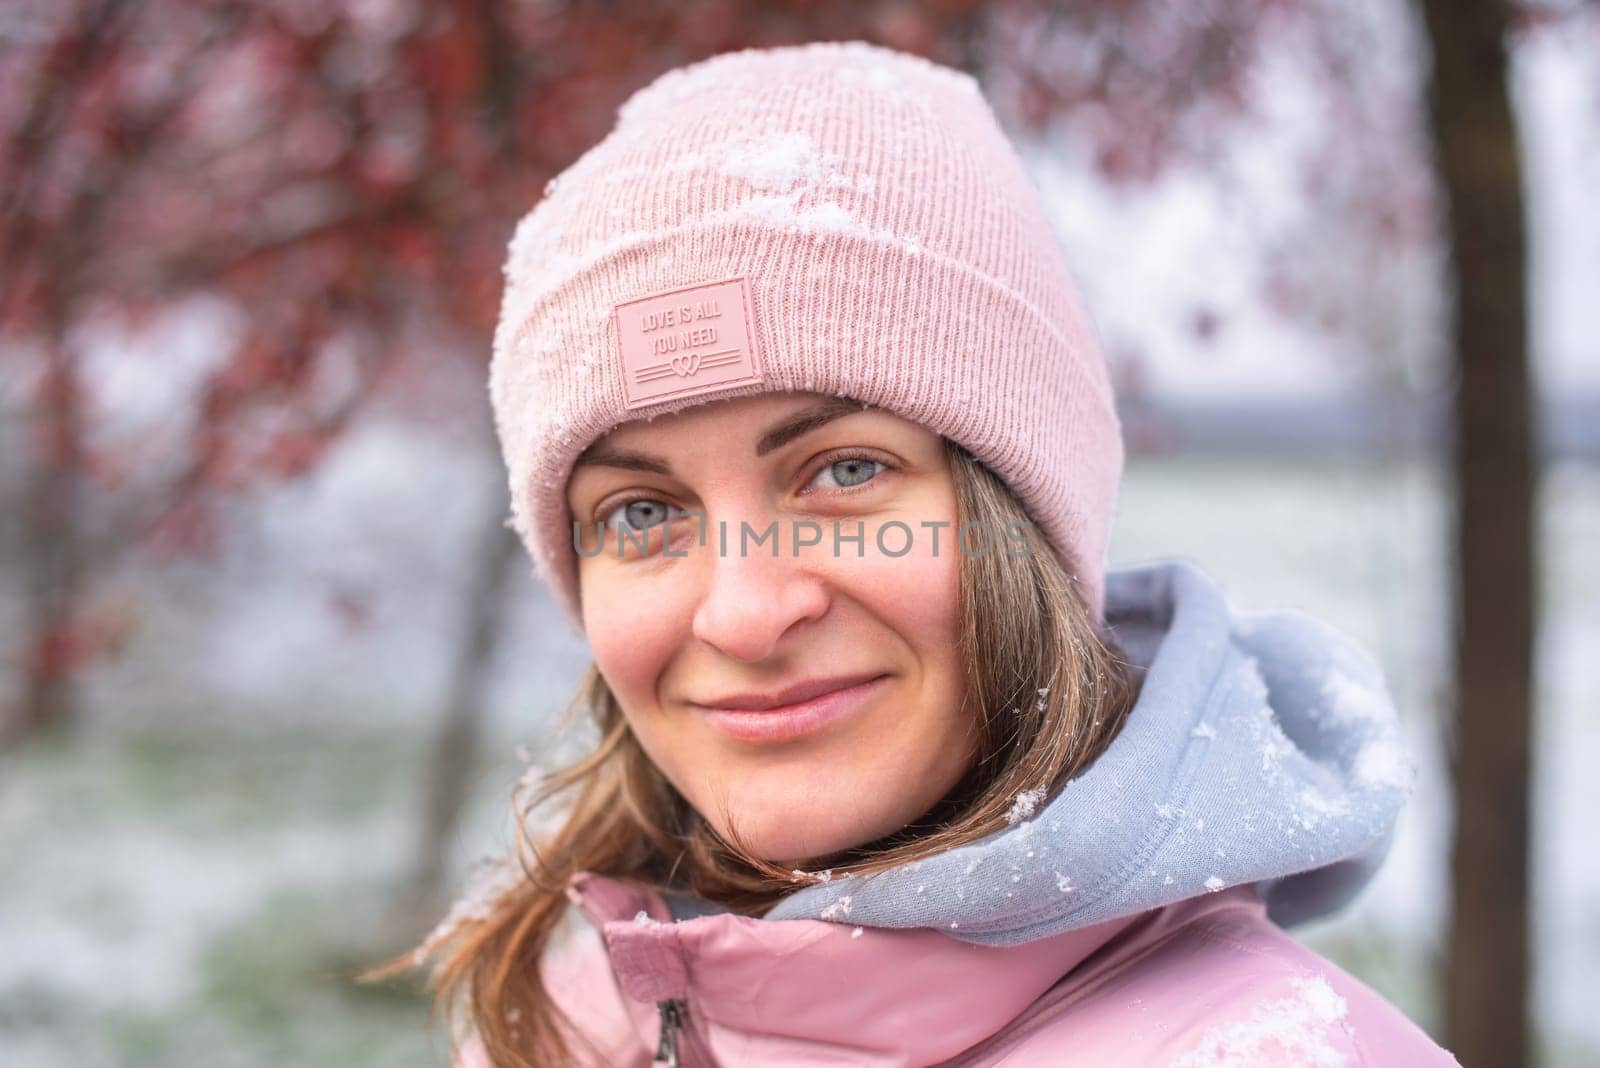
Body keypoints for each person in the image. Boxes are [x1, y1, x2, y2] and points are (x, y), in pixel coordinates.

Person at [373, 40, 1463, 1067]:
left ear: (1021, 520)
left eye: (844, 472)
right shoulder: (571, 1022)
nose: (745, 613)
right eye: (639, 513)